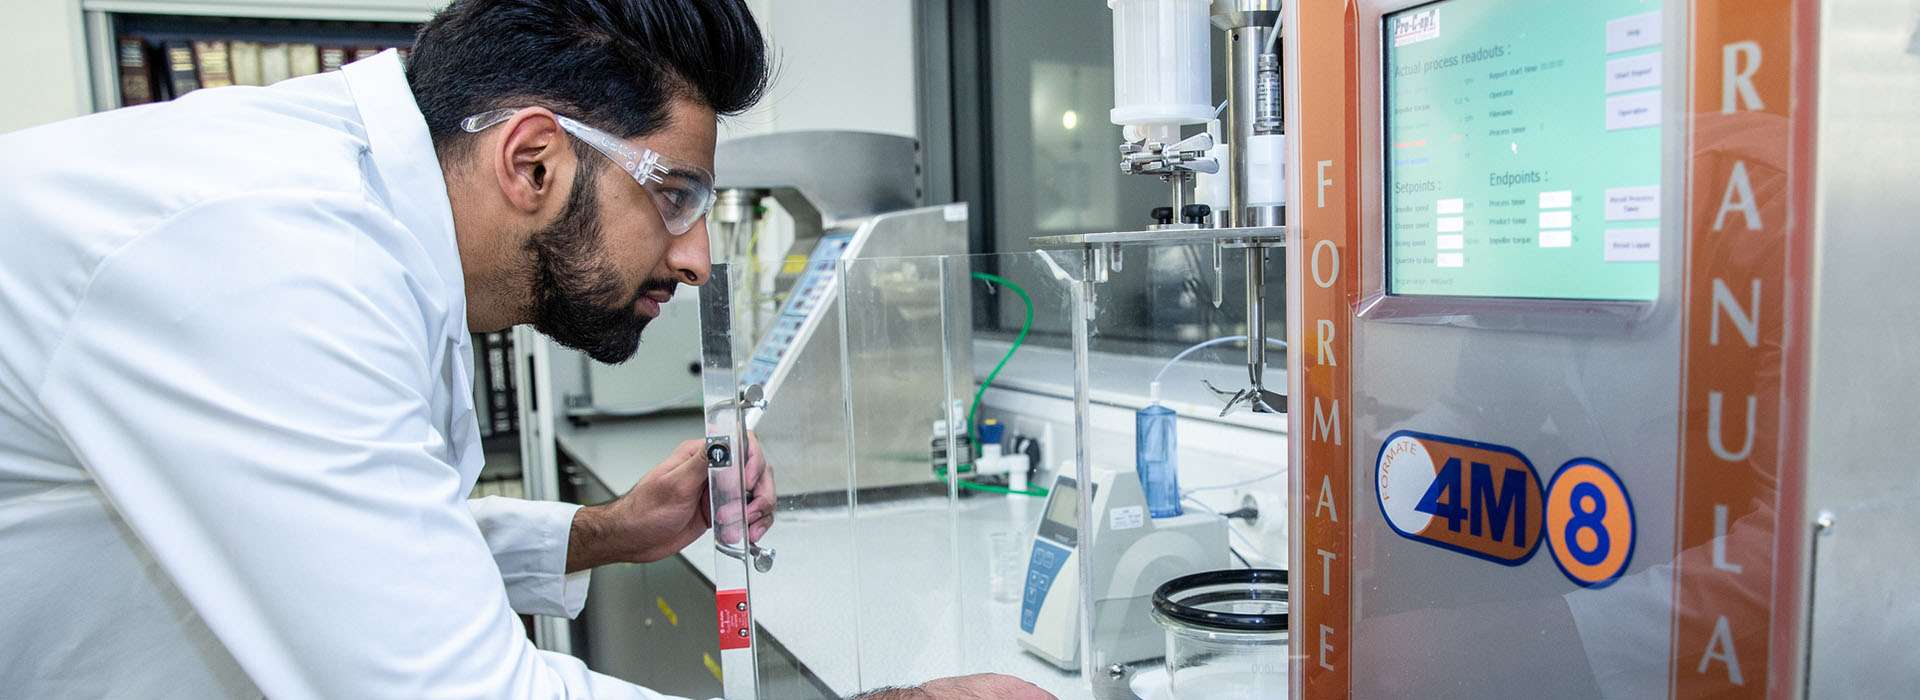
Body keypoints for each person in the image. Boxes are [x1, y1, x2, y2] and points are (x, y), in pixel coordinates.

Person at [0, 0, 1050, 698]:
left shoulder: (375, 225)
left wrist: (602, 530)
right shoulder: (267, 252)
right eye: (676, 196)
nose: (694, 258)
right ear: (535, 160)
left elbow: (366, 531)